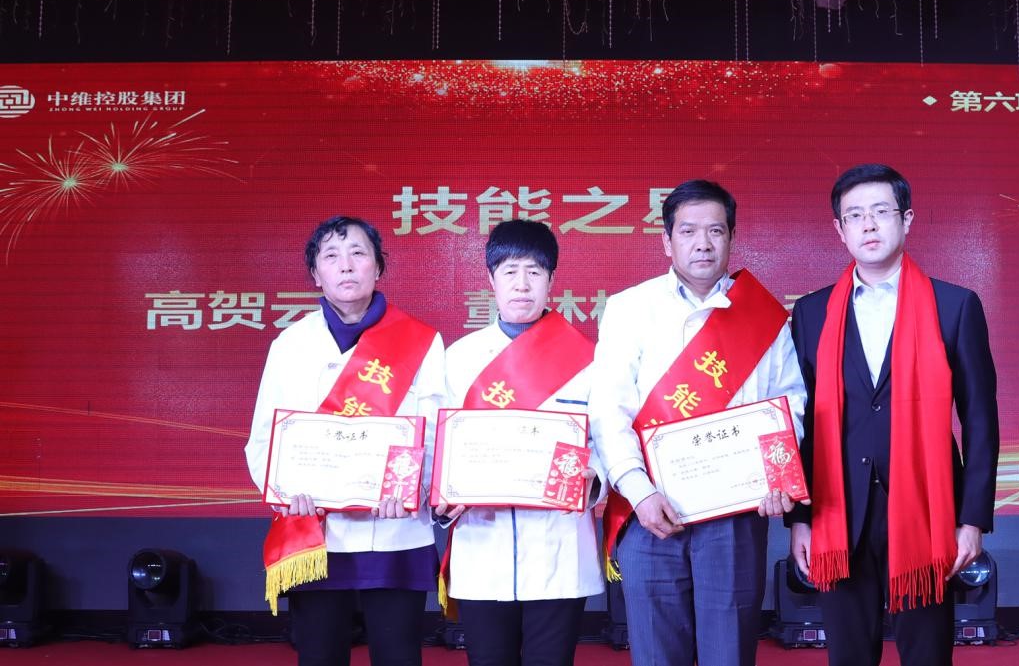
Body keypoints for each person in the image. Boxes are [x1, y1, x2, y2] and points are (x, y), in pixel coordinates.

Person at [786, 164, 1000, 666]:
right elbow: (799, 423)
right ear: (839, 229)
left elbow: (980, 419)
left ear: (907, 220)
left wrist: (972, 519)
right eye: (854, 215)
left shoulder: (955, 306)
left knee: (927, 655)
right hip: (837, 511)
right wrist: (799, 519)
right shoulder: (812, 313)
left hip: (927, 510)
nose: (868, 225)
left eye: (881, 212)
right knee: (848, 656)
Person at [589, 180, 807, 666]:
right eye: (688, 231)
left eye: (715, 231)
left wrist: (776, 475)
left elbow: (791, 403)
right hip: (651, 513)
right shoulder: (630, 308)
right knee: (657, 654)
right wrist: (639, 492)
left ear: (731, 237)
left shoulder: (764, 316)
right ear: (667, 241)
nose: (702, 243)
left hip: (735, 515)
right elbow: (608, 410)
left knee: (729, 652)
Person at [245, 216, 445, 666]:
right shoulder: (290, 345)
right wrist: (285, 494)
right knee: (319, 655)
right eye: (331, 256)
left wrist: (410, 489)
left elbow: (435, 433)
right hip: (315, 530)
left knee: (398, 656)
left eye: (358, 253)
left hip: (394, 529)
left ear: (378, 266)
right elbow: (264, 438)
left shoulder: (421, 341)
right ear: (316, 274)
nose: (346, 265)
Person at [442, 219, 604, 666]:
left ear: (551, 280)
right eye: (510, 271)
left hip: (558, 551)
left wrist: (594, 479)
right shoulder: (459, 359)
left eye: (534, 271)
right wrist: (442, 493)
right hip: (483, 546)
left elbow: (608, 441)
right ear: (490, 278)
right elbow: (438, 446)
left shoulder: (589, 361)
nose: (522, 284)